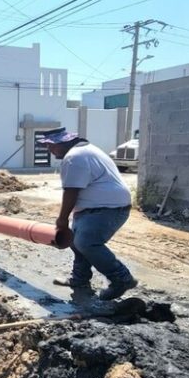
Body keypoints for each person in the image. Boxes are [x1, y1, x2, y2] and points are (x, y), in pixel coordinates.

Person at [36, 127, 137, 301]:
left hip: (107, 208)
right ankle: (80, 279)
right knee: (76, 242)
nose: (49, 150)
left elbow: (71, 191)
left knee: (87, 243)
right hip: (98, 206)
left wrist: (62, 219)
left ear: (64, 142)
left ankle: (121, 278)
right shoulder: (83, 151)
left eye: (52, 146)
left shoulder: (74, 157)